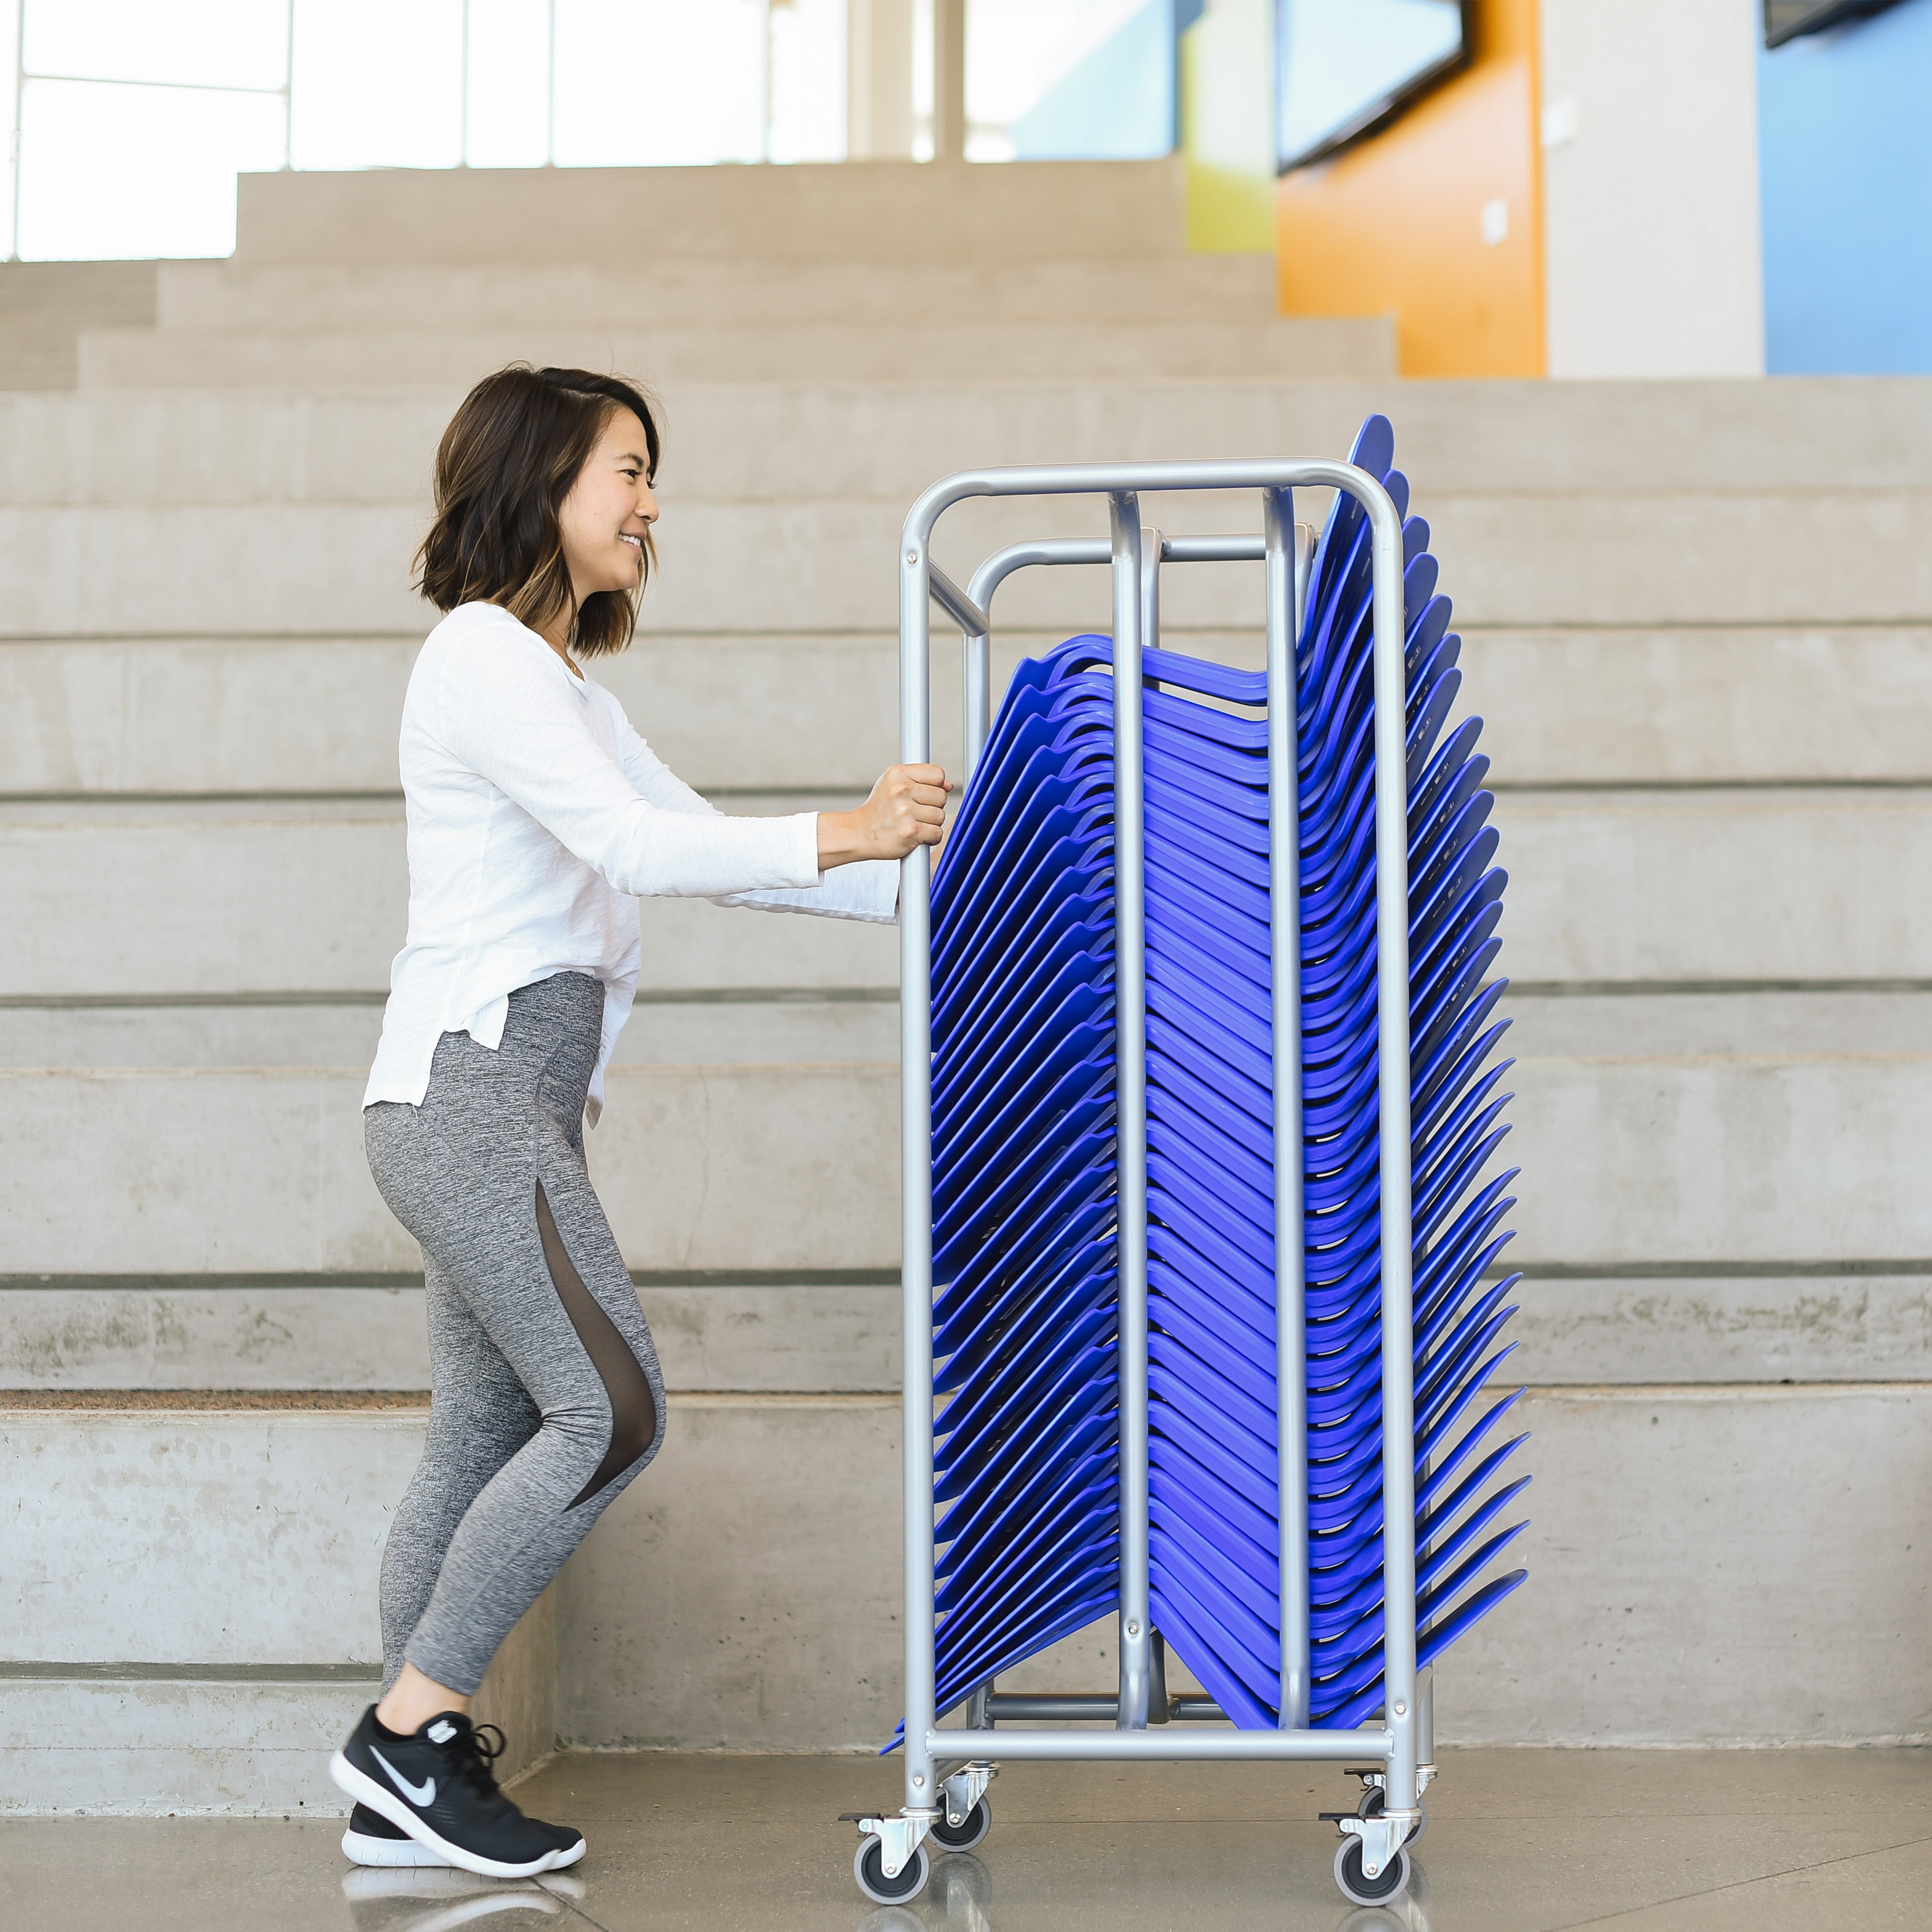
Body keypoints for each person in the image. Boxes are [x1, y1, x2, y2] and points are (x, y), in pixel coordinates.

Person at [328, 364, 946, 1878]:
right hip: (472, 1095)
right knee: (612, 1411)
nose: (650, 503)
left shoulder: (570, 692)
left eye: (650, 472)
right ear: (537, 478)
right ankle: (408, 1739)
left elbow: (711, 853)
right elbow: (626, 846)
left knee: (482, 1433)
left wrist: (931, 885)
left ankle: (396, 1793)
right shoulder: (477, 655)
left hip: (493, 1101)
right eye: (625, 469)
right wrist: (852, 822)